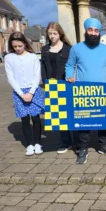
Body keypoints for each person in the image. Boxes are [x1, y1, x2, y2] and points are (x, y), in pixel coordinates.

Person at [65, 18, 106, 164]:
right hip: (83, 91)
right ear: (86, 31)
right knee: (84, 121)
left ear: (100, 33)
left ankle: (103, 145)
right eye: (90, 30)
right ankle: (83, 148)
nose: (93, 33)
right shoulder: (76, 48)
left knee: (103, 120)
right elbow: (69, 65)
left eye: (96, 30)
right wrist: (69, 76)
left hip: (103, 91)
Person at [5, 32, 44, 155]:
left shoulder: (33, 57)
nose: (17, 49)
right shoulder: (8, 58)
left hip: (34, 90)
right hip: (19, 92)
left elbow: (37, 75)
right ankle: (29, 144)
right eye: (15, 46)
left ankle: (38, 143)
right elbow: (10, 77)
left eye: (20, 46)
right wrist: (22, 94)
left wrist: (31, 92)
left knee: (36, 118)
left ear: (25, 44)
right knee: (25, 119)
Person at [41, 22, 74, 154]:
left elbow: (73, 66)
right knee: (59, 115)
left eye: (54, 33)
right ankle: (65, 142)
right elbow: (43, 68)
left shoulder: (69, 49)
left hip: (66, 84)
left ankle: (76, 141)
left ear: (60, 33)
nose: (52, 36)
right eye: (50, 34)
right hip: (52, 85)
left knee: (71, 113)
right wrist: (45, 83)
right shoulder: (44, 49)